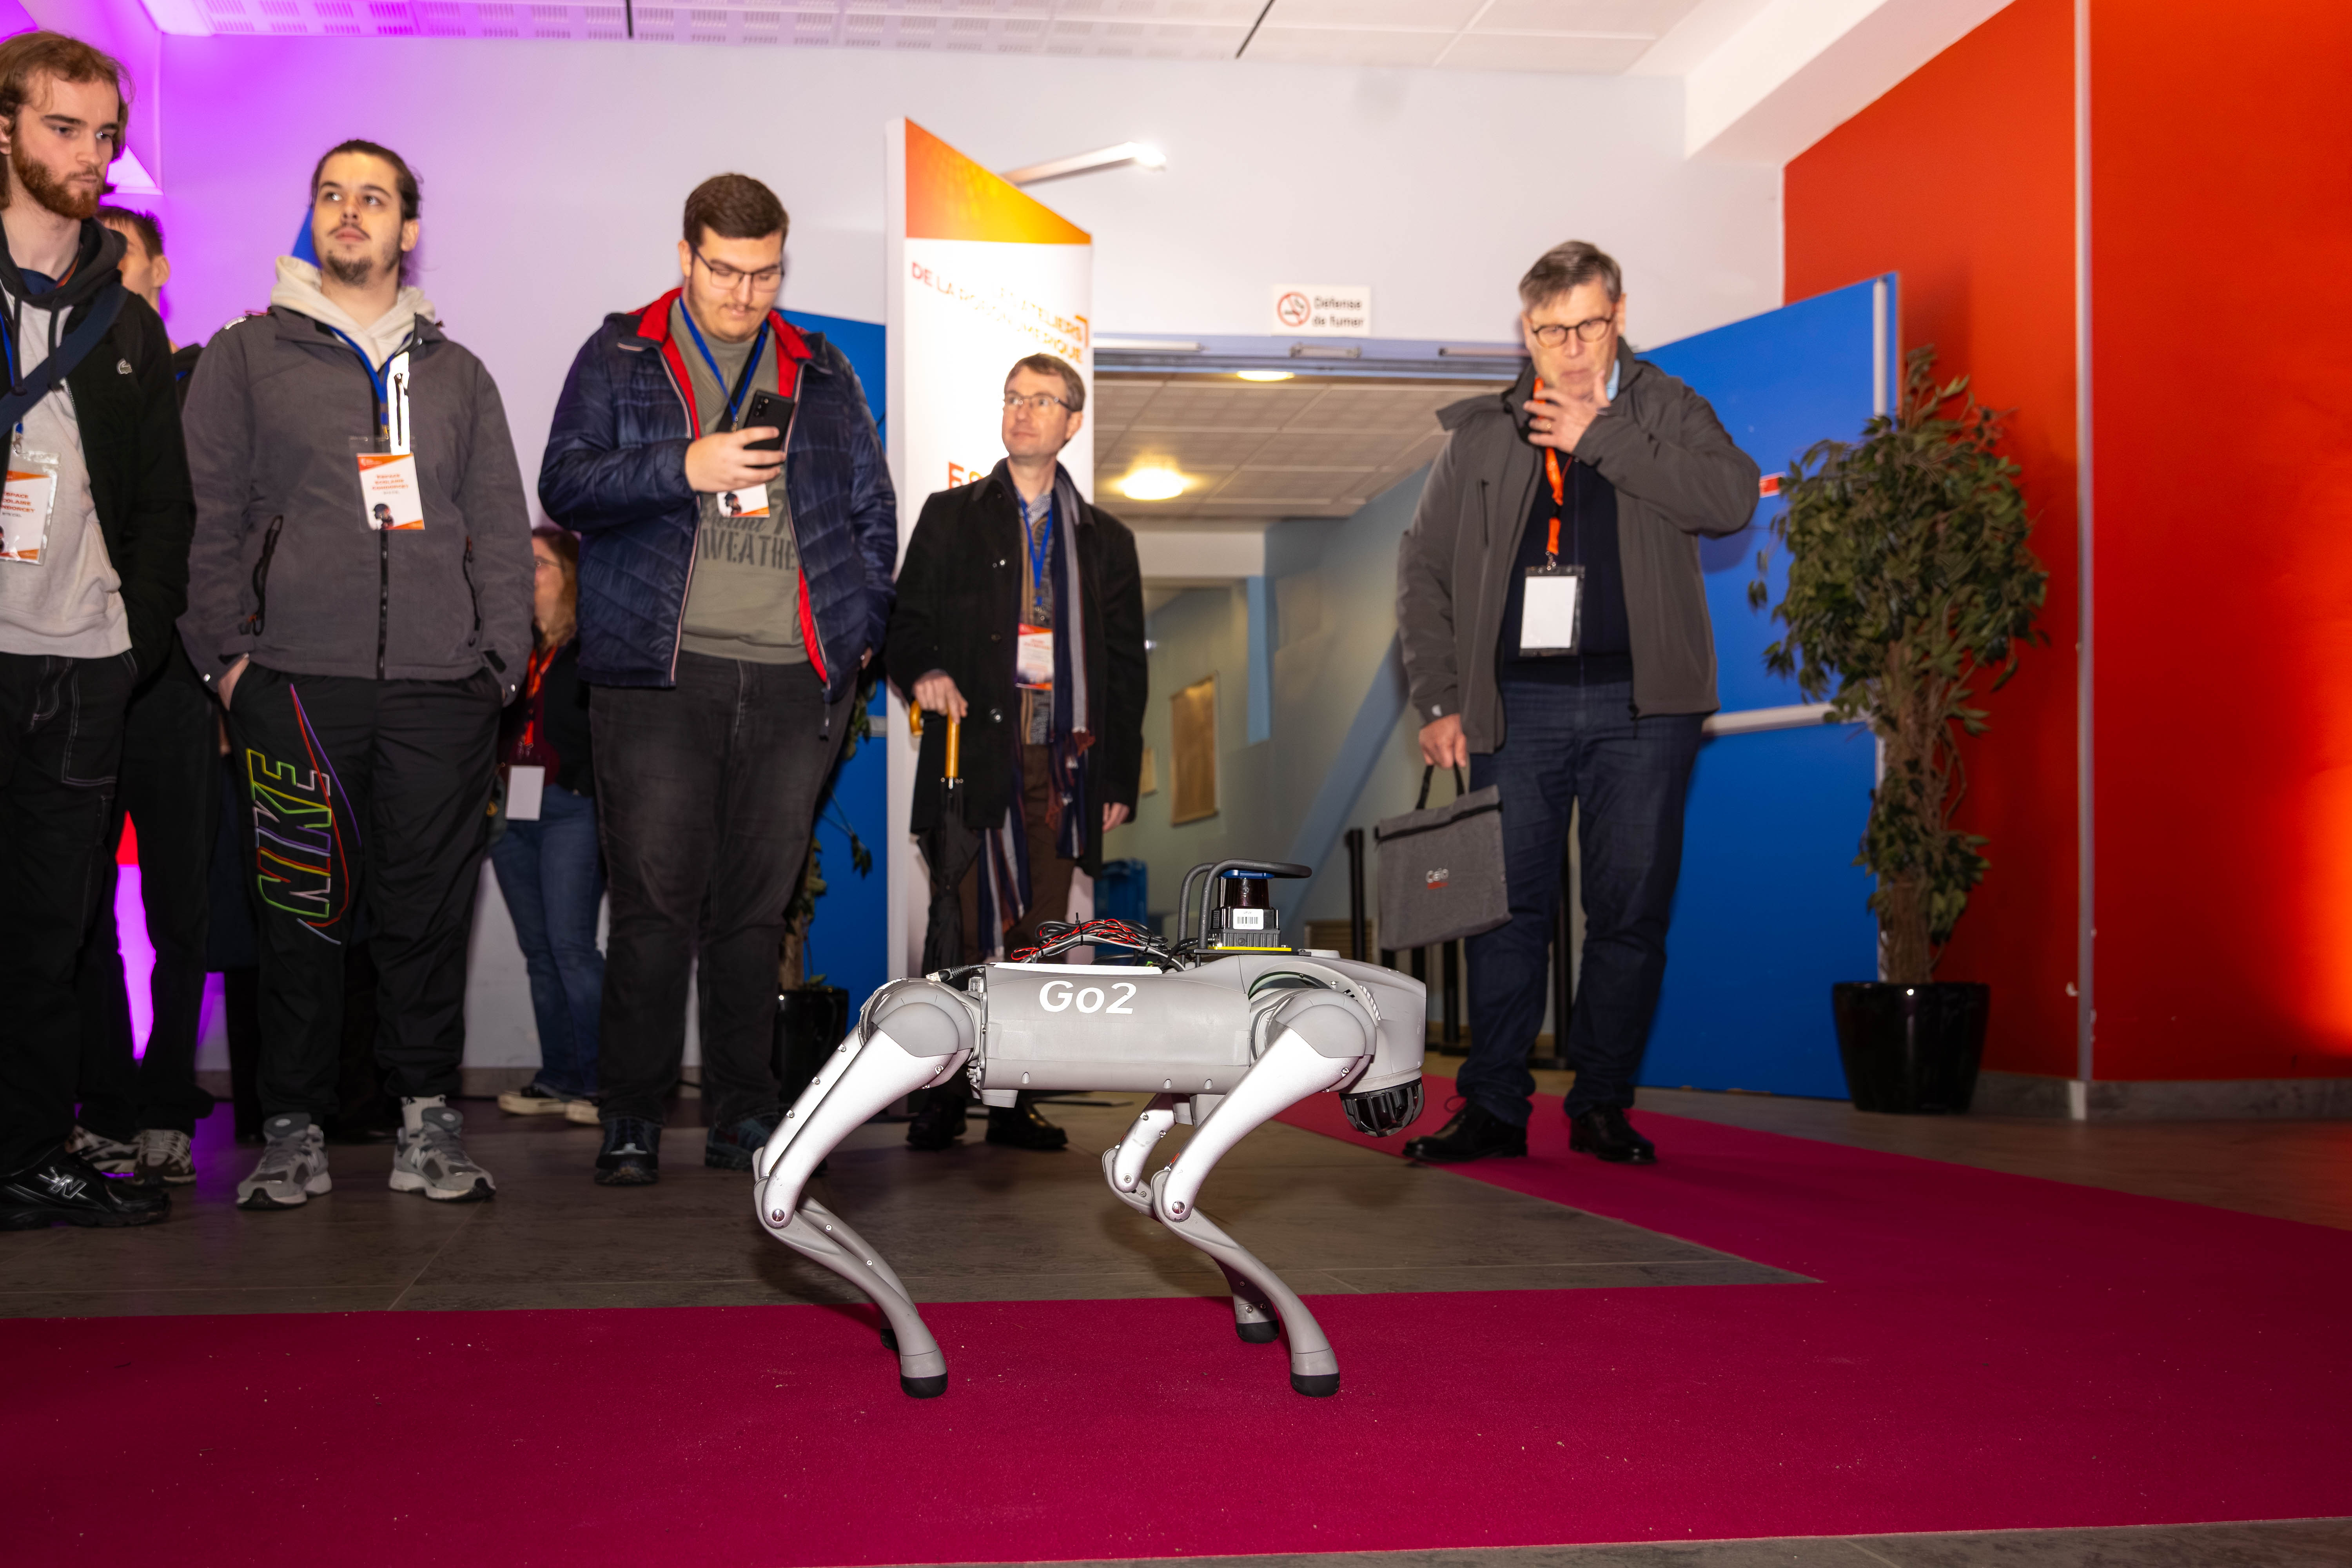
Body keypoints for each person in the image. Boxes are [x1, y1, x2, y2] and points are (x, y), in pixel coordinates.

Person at [180, 139, 534, 1210]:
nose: (350, 211)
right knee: (300, 914)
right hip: (293, 683)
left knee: (427, 917)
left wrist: (498, 665)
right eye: (332, 195)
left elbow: (502, 532)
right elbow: (209, 517)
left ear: (407, 229)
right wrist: (230, 664)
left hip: (442, 691)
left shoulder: (459, 374)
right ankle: (293, 1130)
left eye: (373, 198)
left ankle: (426, 1124)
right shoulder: (248, 356)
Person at [539, 173, 895, 1187]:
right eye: (727, 271)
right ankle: (633, 1115)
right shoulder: (620, 353)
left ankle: (745, 1111)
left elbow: (872, 509)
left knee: (754, 911)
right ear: (686, 256)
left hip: (792, 678)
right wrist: (682, 466)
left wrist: (859, 628)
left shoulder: (820, 367)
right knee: (652, 909)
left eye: (766, 273)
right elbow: (565, 482)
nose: (745, 293)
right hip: (660, 672)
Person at [1396, 241, 1758, 1166]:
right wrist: (1439, 696)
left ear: (1620, 315)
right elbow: (1424, 567)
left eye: (1588, 326)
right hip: (1517, 705)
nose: (1570, 348)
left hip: (1646, 706)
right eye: (1551, 330)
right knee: (1503, 912)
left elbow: (1729, 499)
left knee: (1629, 912)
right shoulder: (1485, 432)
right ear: (1527, 330)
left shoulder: (1667, 408)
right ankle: (1494, 1106)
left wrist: (1600, 434)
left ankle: (1602, 1102)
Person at [0, 32, 189, 1229]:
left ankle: (29, 1154)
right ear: (4, 129)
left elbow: (167, 504)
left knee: (52, 934)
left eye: (105, 133)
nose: (91, 153)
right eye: (63, 127)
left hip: (82, 662)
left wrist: (136, 641)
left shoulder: (126, 320)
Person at [886, 353, 1146, 1152]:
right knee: (960, 935)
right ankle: (940, 1094)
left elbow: (1125, 669)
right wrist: (925, 672)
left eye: (1041, 399)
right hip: (974, 755)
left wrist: (1117, 774)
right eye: (1012, 397)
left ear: (1073, 422)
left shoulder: (1107, 540)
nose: (1022, 411)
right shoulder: (950, 515)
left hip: (1064, 769)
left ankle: (1012, 1100)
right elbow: (905, 623)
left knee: (1041, 941)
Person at [67, 204, 217, 1189]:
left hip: (177, 683)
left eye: (126, 255)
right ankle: (109, 1103)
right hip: (80, 671)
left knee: (181, 911)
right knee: (81, 907)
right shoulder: (59, 378)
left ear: (160, 270)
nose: (112, 270)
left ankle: (167, 1100)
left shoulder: (204, 382)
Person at [490, 526, 602, 1123]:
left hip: (570, 810)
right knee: (538, 951)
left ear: (571, 577)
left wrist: (584, 782)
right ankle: (560, 1077)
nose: (526, 573)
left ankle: (606, 1086)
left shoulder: (592, 648)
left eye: (538, 563)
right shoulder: (511, 647)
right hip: (511, 811)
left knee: (570, 948)